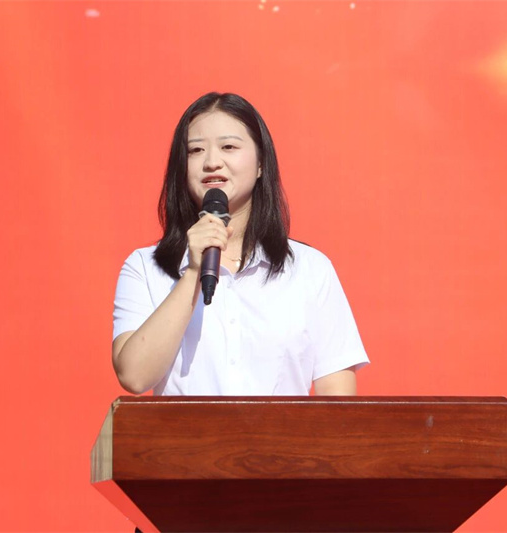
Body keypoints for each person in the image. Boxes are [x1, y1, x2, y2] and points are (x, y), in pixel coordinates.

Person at [112, 92, 368, 396]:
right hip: (185, 432)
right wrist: (193, 272)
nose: (212, 162)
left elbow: (338, 397)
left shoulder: (310, 269)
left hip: (281, 431)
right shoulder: (145, 267)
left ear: (261, 164)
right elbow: (134, 377)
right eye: (195, 150)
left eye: (229, 147)